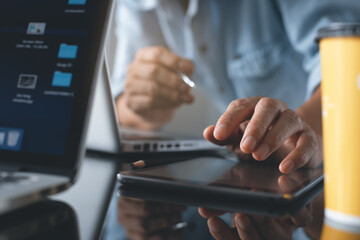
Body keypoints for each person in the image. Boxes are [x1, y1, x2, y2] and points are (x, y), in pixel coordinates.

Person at [110, 0, 360, 239]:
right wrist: (137, 107)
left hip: (335, 186)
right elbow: (119, 108)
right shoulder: (133, 4)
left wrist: (304, 131)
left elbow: (350, 58)